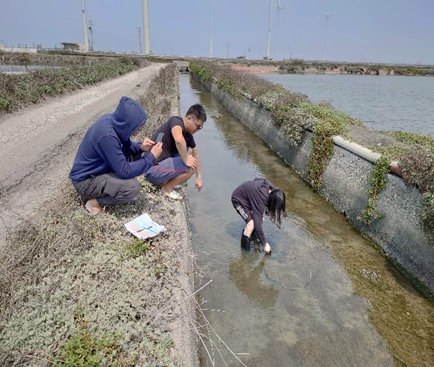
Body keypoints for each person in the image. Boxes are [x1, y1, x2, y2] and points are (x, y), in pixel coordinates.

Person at [69, 96, 163, 215]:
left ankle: (112, 186)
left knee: (136, 156)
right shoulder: (107, 136)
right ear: (127, 123)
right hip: (86, 182)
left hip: (98, 171)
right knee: (131, 187)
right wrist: (151, 157)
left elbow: (123, 143)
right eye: (137, 126)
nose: (139, 129)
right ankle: (95, 202)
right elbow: (124, 171)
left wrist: (140, 147)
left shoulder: (113, 121)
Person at [144, 104, 207, 200]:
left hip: (156, 165)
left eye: (200, 128)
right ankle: (167, 188)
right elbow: (178, 140)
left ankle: (167, 180)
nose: (198, 130)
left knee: (189, 150)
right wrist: (186, 160)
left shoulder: (188, 135)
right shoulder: (176, 122)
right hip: (151, 170)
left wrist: (199, 177)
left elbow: (196, 152)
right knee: (191, 166)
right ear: (189, 118)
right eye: (197, 126)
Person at [231, 178, 286, 254]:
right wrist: (265, 244)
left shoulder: (271, 189)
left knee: (261, 220)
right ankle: (244, 253)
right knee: (251, 225)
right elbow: (258, 226)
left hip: (247, 200)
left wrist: (252, 194)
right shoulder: (261, 199)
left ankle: (251, 235)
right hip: (238, 200)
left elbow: (257, 179)